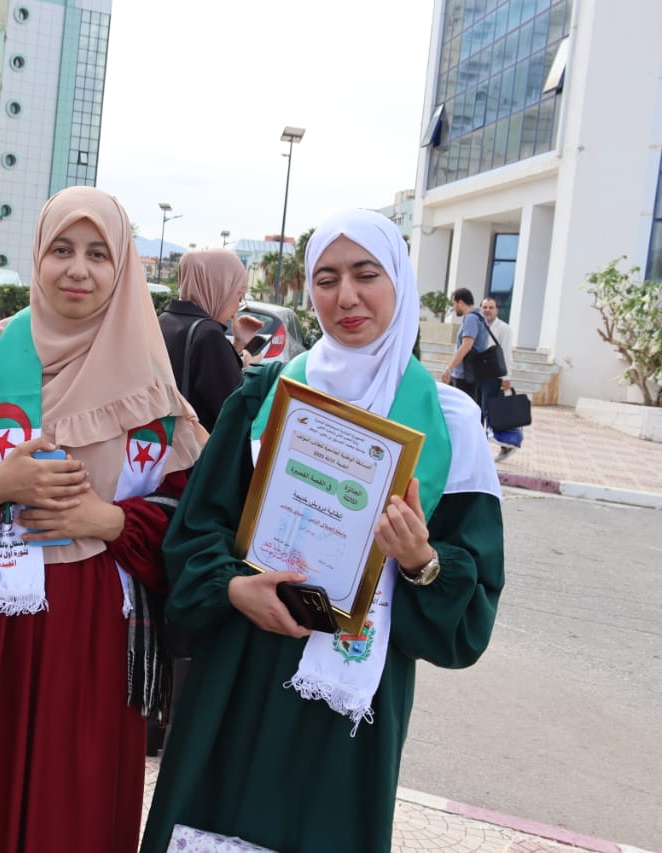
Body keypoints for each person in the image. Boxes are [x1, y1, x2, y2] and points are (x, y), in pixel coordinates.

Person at [140, 209, 505, 853]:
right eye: (327, 279)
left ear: (399, 281)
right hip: (241, 677)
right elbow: (195, 532)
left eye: (366, 275)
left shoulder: (449, 424)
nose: (346, 297)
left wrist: (420, 561)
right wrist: (232, 588)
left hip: (351, 706)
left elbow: (469, 617)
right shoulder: (267, 395)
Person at [0, 186, 206, 853]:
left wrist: (107, 520)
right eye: (62, 249)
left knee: (70, 813)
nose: (77, 270)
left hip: (91, 641)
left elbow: (188, 525)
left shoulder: (151, 386)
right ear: (37, 255)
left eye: (98, 253)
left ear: (122, 267)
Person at [158, 250, 264, 431]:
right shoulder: (208, 334)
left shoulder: (164, 320)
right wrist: (249, 368)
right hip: (195, 446)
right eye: (239, 296)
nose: (236, 308)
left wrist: (238, 345)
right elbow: (234, 411)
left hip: (157, 440)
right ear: (220, 289)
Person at [480, 297, 523, 460]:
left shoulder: (504, 329)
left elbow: (506, 354)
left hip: (496, 376)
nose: (487, 310)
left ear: (497, 310)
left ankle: (507, 445)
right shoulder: (479, 325)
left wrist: (506, 378)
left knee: (495, 412)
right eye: (485, 307)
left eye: (491, 307)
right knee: (483, 411)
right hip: (480, 375)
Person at [441, 287, 490, 405]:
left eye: (454, 304)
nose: (454, 308)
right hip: (471, 373)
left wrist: (449, 368)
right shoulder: (480, 316)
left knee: (459, 407)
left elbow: (466, 345)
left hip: (464, 375)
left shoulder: (471, 318)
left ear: (461, 302)